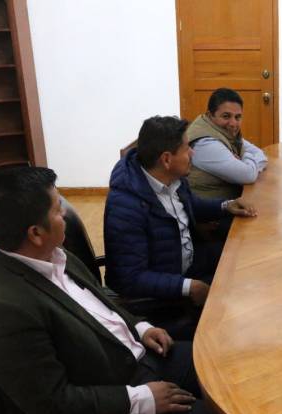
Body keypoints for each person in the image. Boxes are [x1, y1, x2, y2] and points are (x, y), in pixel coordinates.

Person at [0, 166, 244, 414]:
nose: (65, 213)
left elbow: (101, 302)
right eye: (57, 209)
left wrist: (140, 327)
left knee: (227, 364)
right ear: (35, 233)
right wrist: (141, 399)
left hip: (134, 357)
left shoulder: (48, 253)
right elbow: (52, 407)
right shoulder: (0, 308)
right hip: (112, 411)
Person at [104, 115, 256, 313]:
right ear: (167, 159)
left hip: (186, 263)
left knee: (244, 257)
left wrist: (226, 205)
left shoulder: (172, 177)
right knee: (239, 300)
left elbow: (191, 205)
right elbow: (131, 278)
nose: (192, 153)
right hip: (162, 295)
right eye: (186, 148)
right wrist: (188, 287)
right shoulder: (126, 206)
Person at [186, 87, 267, 200]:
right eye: (226, 116)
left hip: (229, 203)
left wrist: (243, 159)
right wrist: (246, 159)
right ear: (210, 115)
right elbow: (248, 175)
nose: (233, 123)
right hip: (212, 209)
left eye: (237, 117)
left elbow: (261, 154)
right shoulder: (205, 144)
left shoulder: (220, 132)